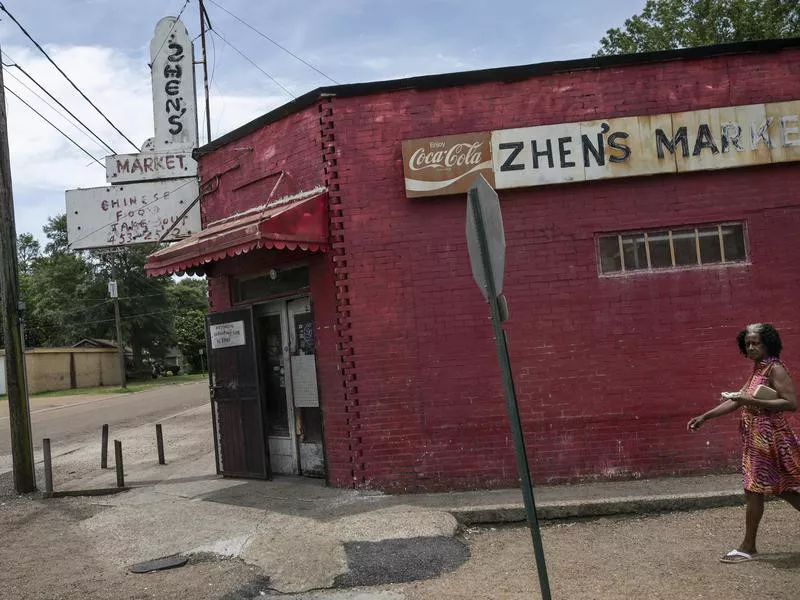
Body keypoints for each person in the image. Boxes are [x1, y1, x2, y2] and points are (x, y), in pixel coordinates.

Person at [688, 323, 800, 563]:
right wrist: (705, 416)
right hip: (756, 438)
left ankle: (748, 547)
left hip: (769, 438)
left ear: (767, 344)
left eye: (755, 343)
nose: (750, 347)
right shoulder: (757, 370)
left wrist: (751, 400)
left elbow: (790, 403)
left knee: (756, 490)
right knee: (780, 489)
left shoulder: (775, 369)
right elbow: (738, 401)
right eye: (747, 343)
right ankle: (748, 546)